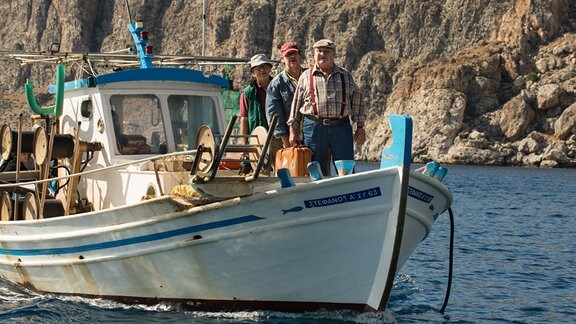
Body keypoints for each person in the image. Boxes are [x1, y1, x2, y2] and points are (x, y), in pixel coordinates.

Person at [287, 39, 366, 175]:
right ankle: (318, 195)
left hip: (341, 127)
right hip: (314, 127)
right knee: (315, 169)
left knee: (346, 169)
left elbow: (357, 101)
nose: (322, 54)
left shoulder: (345, 76)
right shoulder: (306, 77)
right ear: (314, 54)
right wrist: (293, 130)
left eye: (327, 51)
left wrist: (360, 127)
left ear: (333, 54)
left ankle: (347, 193)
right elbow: (296, 105)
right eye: (319, 51)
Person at [265, 41, 305, 148]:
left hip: (311, 135)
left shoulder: (310, 77)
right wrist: (286, 141)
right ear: (282, 60)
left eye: (294, 53)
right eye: (288, 55)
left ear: (299, 56)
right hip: (287, 138)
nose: (292, 57)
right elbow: (274, 114)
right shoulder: (276, 84)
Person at [239, 53, 273, 143]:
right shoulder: (247, 93)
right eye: (258, 68)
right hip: (257, 140)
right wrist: (244, 144)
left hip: (277, 138)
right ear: (253, 73)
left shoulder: (278, 88)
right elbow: (244, 119)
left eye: (265, 67)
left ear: (269, 69)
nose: (262, 70)